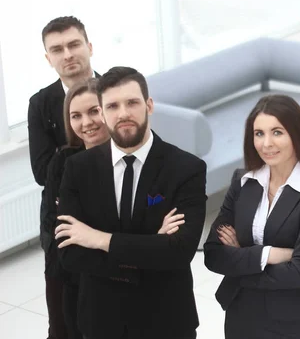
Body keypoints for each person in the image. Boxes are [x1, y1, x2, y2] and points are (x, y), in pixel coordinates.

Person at [54, 66, 207, 339]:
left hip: (167, 321)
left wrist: (99, 239)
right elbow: (70, 253)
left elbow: (179, 252)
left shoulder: (186, 168)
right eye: (112, 105)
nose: (123, 113)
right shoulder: (77, 168)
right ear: (102, 112)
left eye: (132, 103)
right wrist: (152, 245)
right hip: (101, 321)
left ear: (149, 105)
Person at [204, 94, 300, 339]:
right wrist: (271, 254)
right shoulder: (243, 181)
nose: (266, 143)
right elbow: (213, 254)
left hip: (287, 318)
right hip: (239, 313)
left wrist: (240, 257)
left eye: (277, 132)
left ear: (296, 134)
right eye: (259, 133)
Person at [27, 15, 97, 339]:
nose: (67, 54)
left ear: (89, 46)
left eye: (73, 44)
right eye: (57, 49)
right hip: (60, 225)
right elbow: (42, 171)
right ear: (48, 58)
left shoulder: (118, 86)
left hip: (117, 222)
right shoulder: (40, 104)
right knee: (63, 321)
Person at [44, 78, 109, 339]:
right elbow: (53, 220)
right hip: (68, 273)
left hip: (113, 272)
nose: (86, 123)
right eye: (76, 115)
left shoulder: (127, 160)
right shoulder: (62, 161)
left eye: (94, 111)